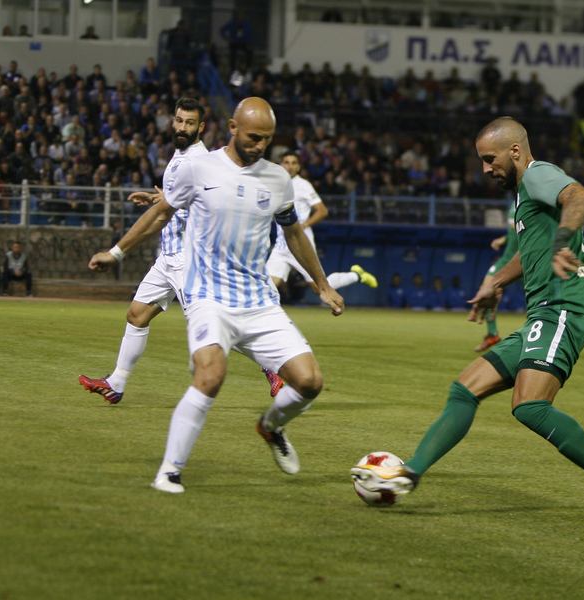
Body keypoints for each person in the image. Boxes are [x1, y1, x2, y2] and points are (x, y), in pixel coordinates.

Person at [352, 117, 584, 525]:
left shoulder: (540, 174)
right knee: (464, 389)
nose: (486, 169)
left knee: (529, 406)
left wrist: (562, 243)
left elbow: (580, 197)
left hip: (564, 309)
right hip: (542, 313)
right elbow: (531, 250)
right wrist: (497, 283)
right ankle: (410, 474)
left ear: (516, 151)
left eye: (490, 160)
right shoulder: (525, 195)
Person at [87, 97, 345, 494]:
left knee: (309, 382)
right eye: (254, 136)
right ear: (232, 127)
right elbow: (161, 213)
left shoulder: (278, 179)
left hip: (259, 301)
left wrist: (323, 285)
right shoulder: (199, 166)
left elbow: (293, 233)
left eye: (268, 139)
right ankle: (169, 471)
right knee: (210, 376)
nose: (260, 145)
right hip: (209, 297)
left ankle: (270, 427)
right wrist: (117, 251)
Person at [78, 98, 208, 404]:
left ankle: (273, 365)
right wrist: (159, 200)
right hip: (169, 255)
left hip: (188, 260)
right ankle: (117, 383)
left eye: (190, 123)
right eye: (179, 120)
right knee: (137, 314)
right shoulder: (183, 156)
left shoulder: (193, 161)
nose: (182, 127)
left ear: (201, 127)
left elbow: (182, 213)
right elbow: (184, 203)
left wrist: (117, 252)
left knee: (212, 327)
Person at [261, 150, 377, 395]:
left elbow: (322, 210)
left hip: (300, 245)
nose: (290, 166)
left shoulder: (303, 186)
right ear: (281, 164)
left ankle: (356, 274)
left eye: (294, 163)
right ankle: (272, 362)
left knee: (317, 288)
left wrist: (303, 225)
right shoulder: (276, 182)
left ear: (299, 167)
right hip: (280, 248)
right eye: (286, 162)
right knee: (266, 292)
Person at [475, 210, 518, 352]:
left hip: (526, 259)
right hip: (507, 259)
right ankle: (492, 334)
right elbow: (516, 230)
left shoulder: (533, 196)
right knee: (486, 289)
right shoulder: (514, 202)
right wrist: (504, 238)